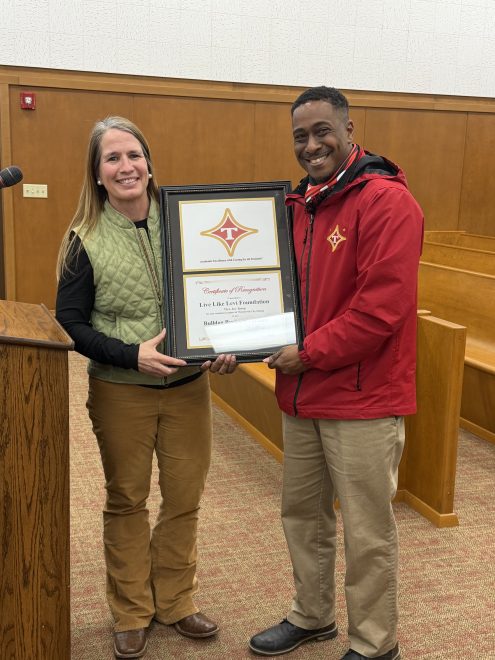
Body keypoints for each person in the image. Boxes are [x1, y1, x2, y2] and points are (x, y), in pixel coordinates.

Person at [249, 86, 424, 660]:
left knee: (366, 530)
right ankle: (312, 614)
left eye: (322, 130)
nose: (311, 145)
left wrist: (306, 353)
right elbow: (268, 291)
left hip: (362, 398)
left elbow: (380, 312)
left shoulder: (386, 202)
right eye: (300, 135)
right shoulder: (297, 205)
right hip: (303, 394)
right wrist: (229, 341)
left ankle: (374, 643)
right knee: (302, 516)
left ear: (349, 129)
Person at [56, 116, 236, 659]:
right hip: (121, 391)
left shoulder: (187, 223)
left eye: (133, 155)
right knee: (127, 501)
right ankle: (131, 611)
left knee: (184, 499)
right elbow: (71, 324)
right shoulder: (83, 239)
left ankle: (176, 601)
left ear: (149, 164)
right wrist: (131, 354)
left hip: (189, 389)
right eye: (112, 158)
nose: (126, 166)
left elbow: (222, 288)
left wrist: (227, 342)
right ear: (97, 173)